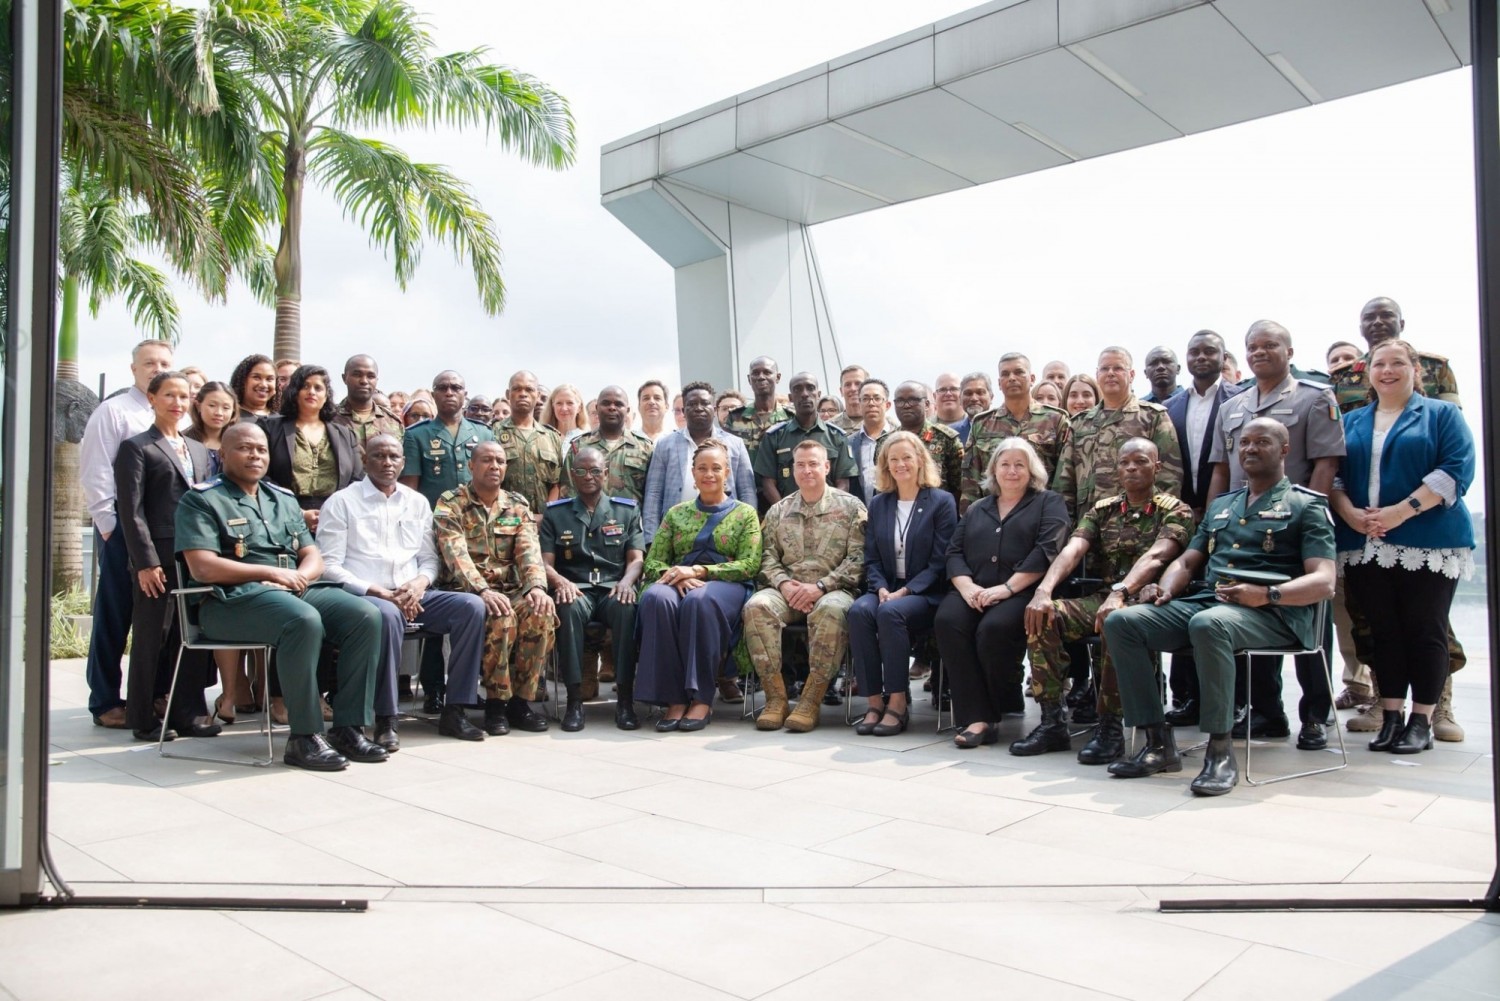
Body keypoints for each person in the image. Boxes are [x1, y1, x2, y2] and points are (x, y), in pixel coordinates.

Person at [1103, 418, 1337, 796]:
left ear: (1285, 450)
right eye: (1244, 442)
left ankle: (1220, 750)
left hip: (1275, 613)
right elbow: (1186, 561)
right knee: (1124, 622)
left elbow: (1325, 581)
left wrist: (1267, 594)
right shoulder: (1222, 506)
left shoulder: (1304, 505)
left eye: (1262, 442)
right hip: (1211, 603)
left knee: (1210, 625)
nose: (1250, 449)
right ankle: (1157, 742)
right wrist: (1164, 590)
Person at [176, 423, 387, 771]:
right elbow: (202, 567)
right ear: (223, 454)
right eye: (245, 448)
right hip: (229, 601)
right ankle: (304, 737)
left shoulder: (282, 499)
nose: (255, 455)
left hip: (293, 590)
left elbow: (312, 554)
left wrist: (299, 577)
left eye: (261, 449)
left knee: (364, 615)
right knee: (301, 620)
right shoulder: (201, 499)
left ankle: (348, 728)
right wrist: (270, 573)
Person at [1328, 297, 1466, 740]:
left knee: (1425, 630)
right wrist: (1348, 512)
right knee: (1382, 632)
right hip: (1365, 541)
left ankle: (1422, 719)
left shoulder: (1441, 414)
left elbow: (1456, 468)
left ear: (1415, 370)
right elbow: (1335, 477)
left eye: (1396, 364)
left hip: (1428, 540)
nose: (1387, 371)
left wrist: (1399, 512)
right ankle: (1390, 716)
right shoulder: (1353, 421)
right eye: (1378, 364)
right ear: (1367, 372)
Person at [1206, 320, 1344, 744]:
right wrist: (1212, 520)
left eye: (1270, 345)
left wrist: (1303, 518)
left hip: (1294, 526)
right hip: (1240, 529)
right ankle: (1267, 712)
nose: (1259, 352)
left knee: (1310, 619)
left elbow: (1325, 462)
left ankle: (1316, 716)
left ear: (1289, 350)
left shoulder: (1314, 398)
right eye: (1252, 347)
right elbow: (1222, 469)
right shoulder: (1232, 405)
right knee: (1245, 615)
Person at [1019, 438, 1194, 761]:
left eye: (1140, 461)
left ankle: (1111, 726)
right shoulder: (1104, 509)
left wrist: (1121, 592)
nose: (1131, 468)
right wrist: (1043, 590)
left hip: (1150, 601)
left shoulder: (1175, 510)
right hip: (1104, 597)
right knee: (1044, 614)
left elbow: (1158, 557)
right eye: (1125, 462)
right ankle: (1053, 721)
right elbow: (1073, 549)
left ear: (1156, 467)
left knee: (1117, 622)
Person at [317, 434, 490, 748]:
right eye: (379, 456)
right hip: (366, 597)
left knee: (471, 607)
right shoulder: (342, 502)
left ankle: (455, 710)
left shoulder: (417, 501)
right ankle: (387, 719)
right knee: (387, 616)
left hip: (414, 594)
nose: (387, 463)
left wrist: (419, 583)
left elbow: (428, 559)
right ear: (365, 459)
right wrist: (376, 591)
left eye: (394, 457)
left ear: (403, 461)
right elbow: (328, 565)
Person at [936, 439, 1069, 749]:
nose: (1011, 471)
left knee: (992, 629)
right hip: (974, 589)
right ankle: (977, 715)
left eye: (1019, 465)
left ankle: (988, 714)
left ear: (1032, 469)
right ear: (993, 469)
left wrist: (1007, 588)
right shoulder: (977, 508)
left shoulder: (1049, 502)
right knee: (948, 620)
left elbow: (1047, 551)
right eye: (1005, 464)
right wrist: (967, 586)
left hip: (1022, 592)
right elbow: (953, 551)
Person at [115, 371, 219, 741]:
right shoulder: (137, 447)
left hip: (195, 556)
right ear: (153, 399)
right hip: (157, 557)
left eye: (183, 395)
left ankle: (187, 713)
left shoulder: (199, 450)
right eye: (169, 395)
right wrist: (145, 562)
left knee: (189, 635)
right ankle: (142, 716)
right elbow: (131, 510)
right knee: (151, 636)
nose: (177, 402)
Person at [79, 338, 177, 728]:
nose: (156, 368)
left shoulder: (176, 414)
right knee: (115, 615)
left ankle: (151, 696)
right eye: (148, 363)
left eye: (164, 362)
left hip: (164, 535)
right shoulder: (114, 412)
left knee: (160, 620)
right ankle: (104, 701)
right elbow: (96, 472)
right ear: (134, 369)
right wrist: (108, 529)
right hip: (123, 531)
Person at [636, 439, 762, 732]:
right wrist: (676, 575)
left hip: (725, 585)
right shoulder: (676, 513)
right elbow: (653, 563)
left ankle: (701, 697)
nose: (709, 474)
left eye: (716, 468)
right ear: (692, 472)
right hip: (678, 580)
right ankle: (672, 698)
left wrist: (700, 571)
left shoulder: (744, 513)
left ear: (727, 472)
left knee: (698, 601)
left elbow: (749, 564)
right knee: (656, 598)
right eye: (702, 468)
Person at [433, 442, 557, 736]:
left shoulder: (517, 504)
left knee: (540, 614)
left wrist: (537, 588)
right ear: (471, 466)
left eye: (500, 461)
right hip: (467, 591)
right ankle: (496, 705)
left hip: (511, 588)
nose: (494, 466)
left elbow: (528, 551)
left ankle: (520, 703)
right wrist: (482, 591)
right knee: (500, 618)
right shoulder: (451, 502)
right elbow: (455, 555)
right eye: (487, 460)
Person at [743, 440, 867, 732]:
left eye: (813, 464)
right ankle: (776, 698)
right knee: (757, 606)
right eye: (800, 464)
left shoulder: (851, 507)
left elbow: (858, 559)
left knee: (832, 610)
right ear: (792, 470)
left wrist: (822, 586)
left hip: (834, 590)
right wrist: (785, 586)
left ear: (826, 467)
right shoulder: (778, 511)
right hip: (787, 591)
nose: (807, 470)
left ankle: (812, 699)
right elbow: (767, 558)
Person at [848, 432, 957, 738]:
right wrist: (881, 587)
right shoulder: (880, 503)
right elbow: (871, 557)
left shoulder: (941, 502)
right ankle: (873, 702)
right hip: (886, 587)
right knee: (858, 612)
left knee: (890, 613)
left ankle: (897, 702)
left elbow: (940, 562)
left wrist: (905, 591)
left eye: (907, 457)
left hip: (926, 591)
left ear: (920, 460)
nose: (900, 464)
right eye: (893, 459)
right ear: (885, 465)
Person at [1162, 329, 1242, 727]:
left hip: (1228, 515)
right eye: (1194, 351)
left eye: (1210, 351)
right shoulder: (1171, 406)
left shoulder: (1240, 398)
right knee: (1181, 599)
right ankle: (1186, 697)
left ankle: (1242, 703)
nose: (1201, 357)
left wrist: (1211, 511)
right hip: (1181, 515)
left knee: (1226, 603)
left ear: (1223, 357)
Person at [541, 447, 646, 731]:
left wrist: (626, 582)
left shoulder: (626, 510)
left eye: (596, 471)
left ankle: (625, 700)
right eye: (582, 471)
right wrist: (560, 582)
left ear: (606, 474)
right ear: (572, 475)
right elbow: (545, 563)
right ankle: (574, 702)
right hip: (576, 588)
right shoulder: (556, 513)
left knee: (626, 608)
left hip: (614, 587)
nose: (589, 477)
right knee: (568, 608)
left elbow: (636, 559)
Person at [1052, 347, 1183, 522]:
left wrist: (1155, 523)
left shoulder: (1153, 416)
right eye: (1105, 369)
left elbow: (1169, 478)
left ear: (1132, 374)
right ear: (1097, 375)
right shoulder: (1079, 423)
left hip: (1137, 526)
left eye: (1118, 368)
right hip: (1086, 528)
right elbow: (1064, 483)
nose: (1111, 373)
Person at [642, 381, 755, 543]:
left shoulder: (735, 444)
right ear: (684, 411)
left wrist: (748, 534)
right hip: (675, 537)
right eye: (692, 404)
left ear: (714, 410)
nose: (699, 408)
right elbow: (653, 495)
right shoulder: (665, 445)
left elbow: (747, 492)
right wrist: (651, 540)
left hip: (726, 535)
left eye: (705, 403)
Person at [260, 364, 363, 534]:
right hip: (282, 515)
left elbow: (357, 479)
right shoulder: (270, 428)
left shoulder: (345, 434)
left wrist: (333, 513)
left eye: (318, 388)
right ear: (295, 392)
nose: (312, 392)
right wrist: (297, 513)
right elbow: (261, 476)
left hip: (336, 518)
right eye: (305, 386)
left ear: (326, 395)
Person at [962, 353, 1070, 513]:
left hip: (1041, 515)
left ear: (1032, 378)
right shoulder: (982, 424)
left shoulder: (1056, 420)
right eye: (1005, 374)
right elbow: (970, 481)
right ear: (999, 383)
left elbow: (1064, 479)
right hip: (993, 517)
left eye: (1019, 372)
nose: (1012, 378)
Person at [753, 372, 858, 504]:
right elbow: (767, 483)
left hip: (828, 517)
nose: (804, 394)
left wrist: (829, 511)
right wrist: (785, 512)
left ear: (818, 395)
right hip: (788, 517)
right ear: (791, 397)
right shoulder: (774, 437)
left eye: (810, 388)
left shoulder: (837, 436)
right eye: (798, 389)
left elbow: (843, 483)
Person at [400, 370, 496, 508]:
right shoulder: (416, 435)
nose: (449, 393)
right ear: (433, 396)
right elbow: (410, 489)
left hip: (478, 520)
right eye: (443, 388)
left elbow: (495, 482)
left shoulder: (484, 434)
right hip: (436, 520)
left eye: (456, 388)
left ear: (465, 395)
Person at [564, 384, 655, 503]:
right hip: (587, 520)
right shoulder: (578, 446)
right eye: (606, 403)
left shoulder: (646, 448)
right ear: (597, 408)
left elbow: (653, 495)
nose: (612, 408)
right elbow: (567, 494)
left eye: (618, 404)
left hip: (631, 520)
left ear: (627, 410)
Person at [495, 370, 565, 517]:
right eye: (517, 389)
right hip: (504, 521)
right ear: (508, 394)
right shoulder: (493, 433)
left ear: (538, 396)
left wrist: (547, 515)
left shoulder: (552, 437)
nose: (523, 393)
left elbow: (558, 483)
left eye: (529, 389)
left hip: (543, 525)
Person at [720, 355, 791, 487]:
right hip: (746, 491)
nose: (761, 377)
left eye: (767, 372)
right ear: (749, 379)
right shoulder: (735, 418)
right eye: (755, 373)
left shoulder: (791, 418)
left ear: (778, 377)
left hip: (782, 494)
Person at [891, 380, 963, 501]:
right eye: (900, 401)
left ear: (927, 404)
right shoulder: (886, 442)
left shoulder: (946, 438)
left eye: (913, 400)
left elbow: (958, 486)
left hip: (936, 512)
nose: (906, 405)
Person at [333, 354, 404, 447]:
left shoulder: (393, 422)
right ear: (344, 378)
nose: (364, 381)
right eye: (357, 375)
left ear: (376, 380)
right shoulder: (329, 418)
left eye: (370, 376)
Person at [846, 378, 891, 504]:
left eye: (877, 398)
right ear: (859, 405)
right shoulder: (847, 443)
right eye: (865, 399)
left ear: (887, 405)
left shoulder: (897, 439)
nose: (871, 403)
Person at [185, 380, 238, 478]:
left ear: (233, 410)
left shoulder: (238, 443)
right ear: (198, 406)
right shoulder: (184, 442)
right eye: (212, 405)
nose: (219, 413)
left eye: (226, 408)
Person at [231, 354, 278, 421]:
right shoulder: (229, 418)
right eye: (256, 377)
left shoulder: (284, 423)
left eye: (269, 379)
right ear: (243, 381)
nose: (263, 385)